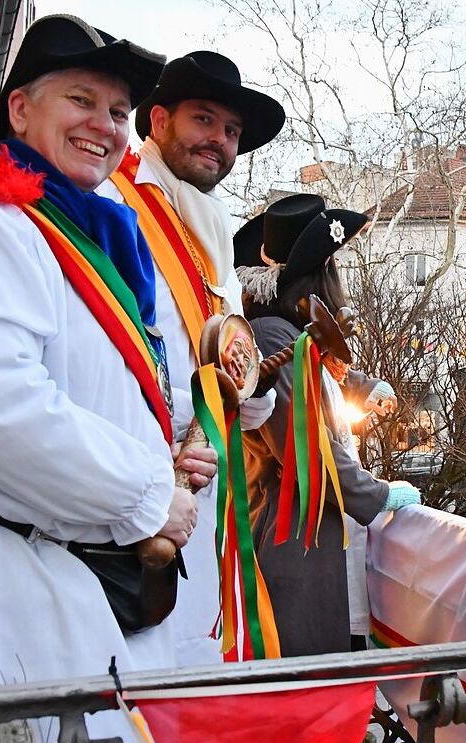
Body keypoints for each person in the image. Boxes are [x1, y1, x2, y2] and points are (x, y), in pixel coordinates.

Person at [0, 12, 208, 731]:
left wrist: (174, 449)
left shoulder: (87, 230)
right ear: (20, 109)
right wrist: (152, 490)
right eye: (81, 101)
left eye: (118, 110)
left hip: (95, 589)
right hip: (24, 591)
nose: (106, 124)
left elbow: (107, 388)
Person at [99, 51, 285, 664]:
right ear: (157, 119)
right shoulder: (116, 200)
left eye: (231, 132)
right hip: (137, 482)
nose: (220, 142)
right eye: (204, 121)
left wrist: (252, 393)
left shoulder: (211, 221)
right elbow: (112, 351)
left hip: (204, 481)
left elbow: (226, 359)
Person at [233, 193, 417, 656]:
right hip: (294, 541)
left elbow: (318, 377)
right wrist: (375, 494)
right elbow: (304, 444)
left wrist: (363, 387)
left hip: (312, 538)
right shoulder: (273, 335)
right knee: (305, 678)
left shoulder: (287, 334)